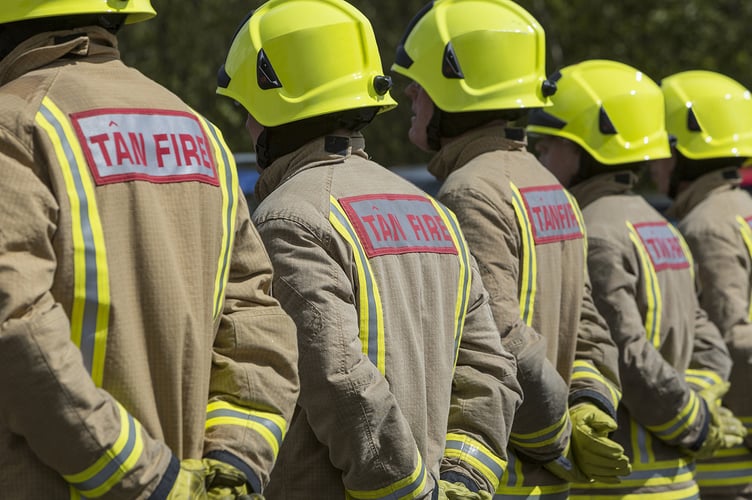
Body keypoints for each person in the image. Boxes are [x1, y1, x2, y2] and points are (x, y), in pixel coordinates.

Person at [216, 0, 523, 498]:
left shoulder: (288, 219)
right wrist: (464, 481)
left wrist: (406, 491)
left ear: (272, 101)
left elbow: (338, 380)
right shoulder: (431, 211)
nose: (248, 126)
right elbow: (489, 368)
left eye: (248, 109)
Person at [0, 1, 300, 498]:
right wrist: (233, 462)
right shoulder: (201, 133)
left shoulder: (15, 126)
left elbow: (15, 325)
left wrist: (147, 478)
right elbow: (256, 324)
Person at [391, 1, 628, 498]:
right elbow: (588, 328)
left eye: (422, 82)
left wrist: (557, 438)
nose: (411, 93)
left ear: (459, 89)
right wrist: (590, 404)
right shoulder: (549, 186)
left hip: (502, 479)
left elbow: (499, 341)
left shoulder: (471, 190)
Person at [527, 58, 745, 498]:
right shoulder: (660, 225)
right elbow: (711, 344)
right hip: (681, 481)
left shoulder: (591, 231)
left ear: (586, 152)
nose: (538, 160)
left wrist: (692, 421)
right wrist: (699, 402)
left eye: (548, 148)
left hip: (623, 485)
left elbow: (626, 351)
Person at [654, 69, 752, 500]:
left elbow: (733, 341)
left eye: (660, 146)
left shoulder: (704, 227)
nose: (650, 159)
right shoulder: (742, 208)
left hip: (730, 472)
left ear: (685, 152)